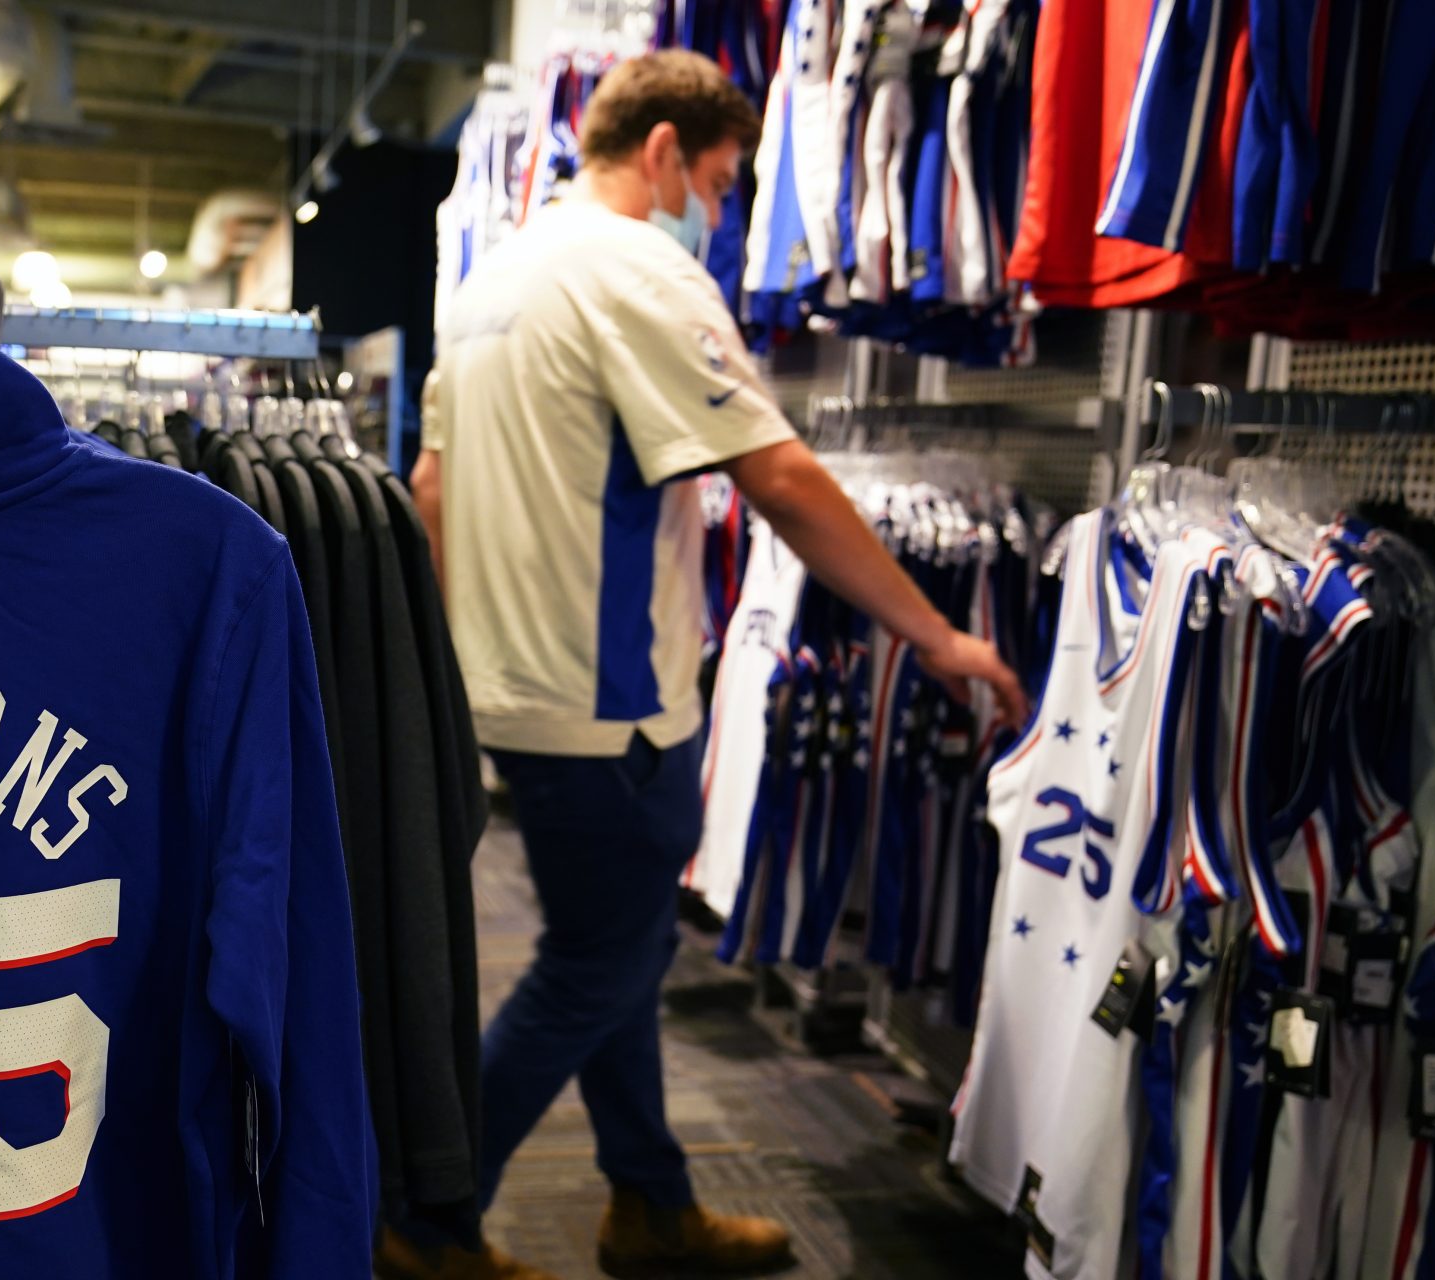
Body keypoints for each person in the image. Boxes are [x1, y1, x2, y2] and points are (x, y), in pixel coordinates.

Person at [397, 50, 1028, 1280]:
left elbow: (431, 484)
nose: (722, 209)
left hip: (518, 690)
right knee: (596, 964)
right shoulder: (640, 268)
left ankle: (651, 1205)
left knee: (615, 954)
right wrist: (940, 635)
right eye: (725, 180)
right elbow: (780, 476)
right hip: (611, 704)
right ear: (666, 151)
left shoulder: (494, 279)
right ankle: (425, 1212)